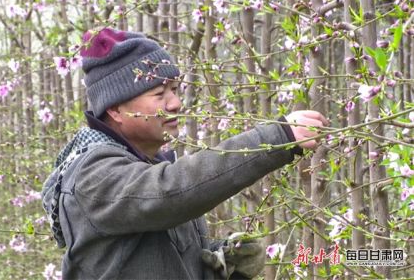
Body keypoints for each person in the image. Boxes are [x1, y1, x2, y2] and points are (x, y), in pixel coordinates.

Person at [42, 28, 328, 279]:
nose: (176, 103)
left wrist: (219, 263)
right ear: (115, 109)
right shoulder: (92, 175)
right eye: (159, 94)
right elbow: (168, 192)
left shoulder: (144, 165)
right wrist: (278, 137)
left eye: (176, 89)